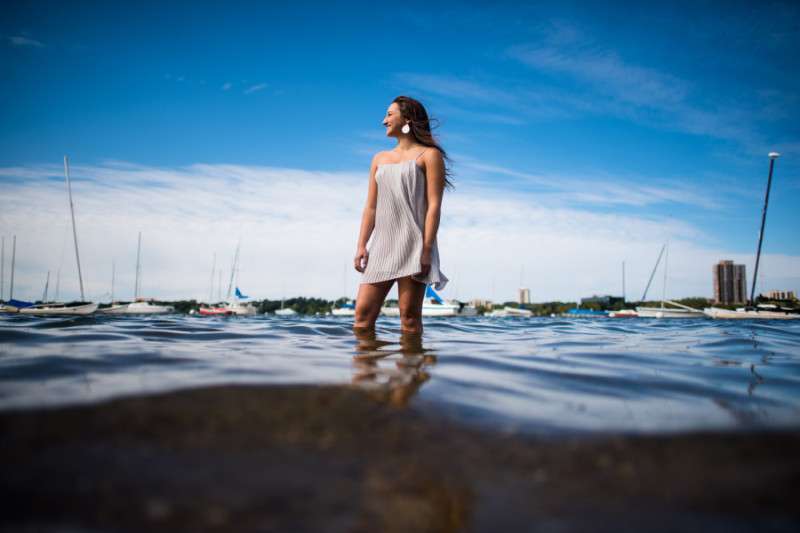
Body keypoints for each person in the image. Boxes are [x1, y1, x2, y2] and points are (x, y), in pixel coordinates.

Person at [353, 96, 451, 334]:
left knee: (409, 317)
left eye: (389, 115)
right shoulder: (379, 159)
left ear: (407, 119)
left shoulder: (429, 155)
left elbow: (434, 207)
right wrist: (361, 245)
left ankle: (411, 369)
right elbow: (371, 206)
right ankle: (364, 370)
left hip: (413, 244)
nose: (383, 121)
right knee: (362, 316)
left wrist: (427, 249)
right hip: (382, 245)